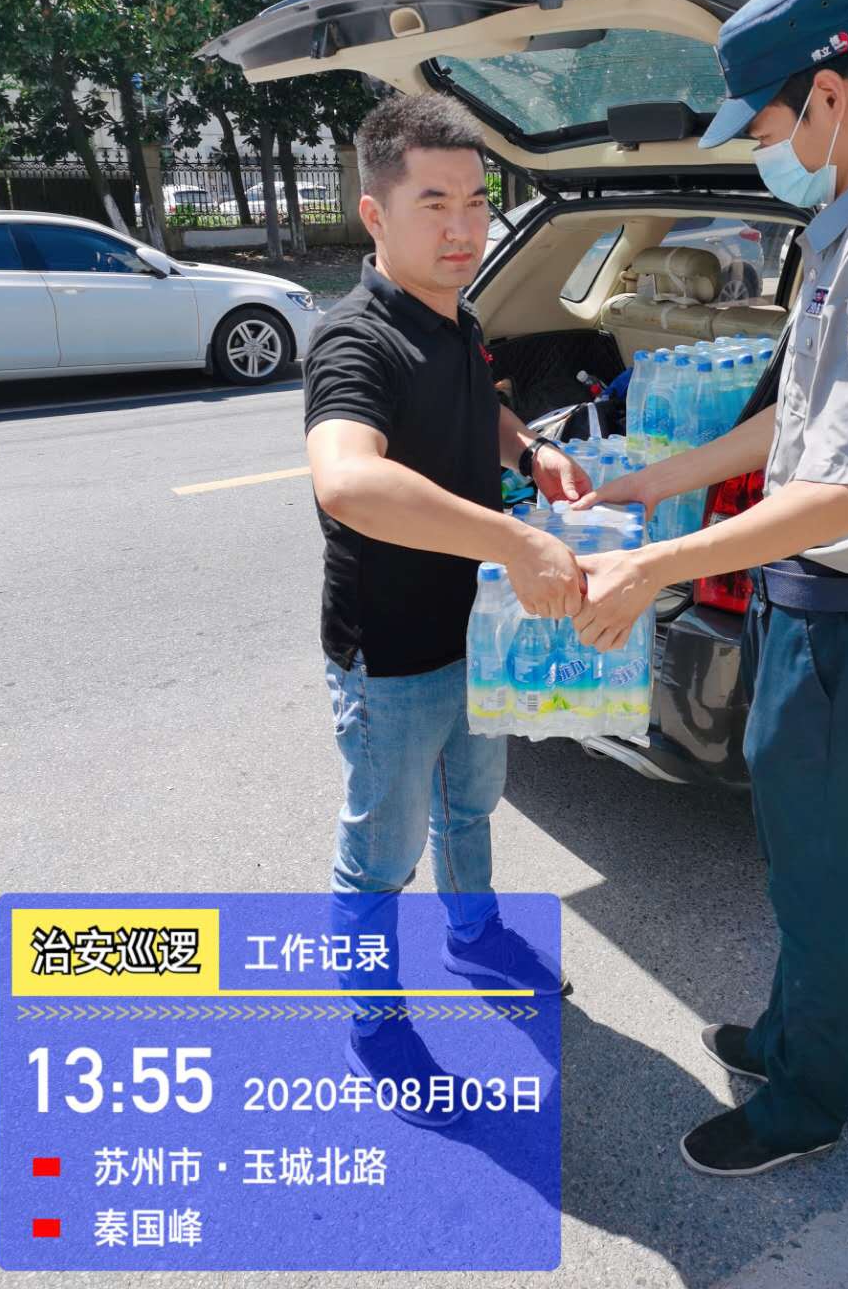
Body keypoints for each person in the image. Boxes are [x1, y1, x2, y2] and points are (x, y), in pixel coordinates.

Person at [569, 0, 848, 1174]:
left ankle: (810, 1103)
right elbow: (797, 427)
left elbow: (845, 490)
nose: (763, 148)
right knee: (800, 868)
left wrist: (656, 566)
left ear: (827, 97)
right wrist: (654, 480)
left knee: (829, 892)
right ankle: (785, 1035)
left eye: (762, 126)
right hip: (813, 625)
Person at [304, 93, 586, 1126]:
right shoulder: (354, 340)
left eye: (476, 202)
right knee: (381, 853)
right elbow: (347, 479)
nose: (464, 227)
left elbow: (484, 406)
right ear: (375, 214)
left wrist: (532, 450)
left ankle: (474, 934)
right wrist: (515, 540)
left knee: (472, 803)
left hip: (475, 633)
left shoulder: (456, 317)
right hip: (389, 655)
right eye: (435, 203)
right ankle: (374, 1020)